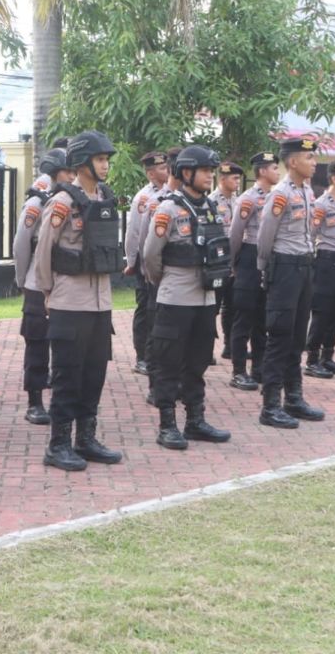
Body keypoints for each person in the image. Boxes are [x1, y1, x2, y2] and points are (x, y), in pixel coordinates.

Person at [32, 131, 124, 471]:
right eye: (100, 160)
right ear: (83, 163)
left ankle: (86, 439)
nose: (105, 166)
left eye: (106, 160)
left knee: (94, 373)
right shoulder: (62, 202)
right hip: (69, 301)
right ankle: (58, 445)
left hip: (100, 302)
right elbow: (43, 249)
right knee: (67, 375)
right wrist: (46, 292)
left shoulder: (104, 198)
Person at [142, 145, 232, 450]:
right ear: (187, 173)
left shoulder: (210, 207)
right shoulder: (167, 209)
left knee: (197, 363)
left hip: (205, 299)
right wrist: (165, 282)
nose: (210, 176)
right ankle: (167, 424)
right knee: (168, 363)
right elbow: (150, 256)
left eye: (211, 170)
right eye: (206, 170)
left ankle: (195, 420)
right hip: (176, 297)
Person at [255, 138, 325, 427]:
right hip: (284, 267)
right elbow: (264, 236)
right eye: (309, 157)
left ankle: (293, 399)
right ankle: (271, 405)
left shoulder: (307, 190)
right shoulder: (281, 194)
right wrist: (264, 270)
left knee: (298, 336)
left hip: (305, 266)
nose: (314, 162)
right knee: (280, 336)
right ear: (293, 162)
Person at [12, 148, 73, 425]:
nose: (72, 176)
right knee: (37, 342)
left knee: (65, 343)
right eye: (67, 171)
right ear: (54, 173)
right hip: (37, 282)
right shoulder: (37, 203)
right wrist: (23, 280)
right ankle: (34, 401)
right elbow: (21, 244)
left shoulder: (74, 200)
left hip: (64, 283)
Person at [227, 152, 278, 391]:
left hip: (270, 258)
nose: (278, 172)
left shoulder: (278, 196)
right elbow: (236, 234)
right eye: (274, 168)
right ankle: (239, 371)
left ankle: (259, 368)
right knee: (244, 317)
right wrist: (233, 263)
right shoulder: (248, 199)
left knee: (262, 319)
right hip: (249, 255)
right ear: (262, 171)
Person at [304, 161, 335, 380]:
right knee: (322, 312)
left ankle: (328, 356)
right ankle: (312, 360)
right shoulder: (321, 204)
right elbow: (311, 234)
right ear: (334, 178)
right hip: (324, 261)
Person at [125, 151, 169, 374]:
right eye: (161, 168)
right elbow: (134, 234)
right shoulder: (143, 198)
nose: (166, 171)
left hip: (164, 263)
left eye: (166, 167)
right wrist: (133, 262)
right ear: (151, 174)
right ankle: (142, 355)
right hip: (145, 263)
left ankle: (157, 355)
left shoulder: (171, 193)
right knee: (145, 309)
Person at [212, 161, 243, 359]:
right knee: (212, 306)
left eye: (239, 178)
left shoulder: (237, 200)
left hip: (235, 260)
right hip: (217, 260)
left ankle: (229, 345)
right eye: (234, 178)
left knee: (232, 305)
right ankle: (205, 348)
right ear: (222, 179)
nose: (238, 182)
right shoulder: (211, 202)